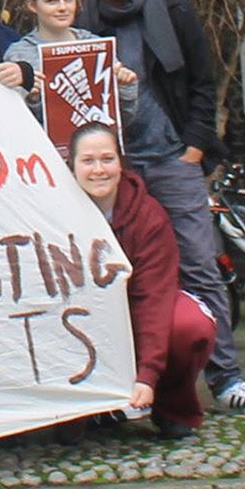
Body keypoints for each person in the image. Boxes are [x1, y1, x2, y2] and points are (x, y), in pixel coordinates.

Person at [78, 0, 245, 418]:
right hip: (115, 163)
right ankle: (128, 388)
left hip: (171, 157)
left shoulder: (171, 9)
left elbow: (202, 81)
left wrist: (193, 146)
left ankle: (227, 379)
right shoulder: (81, 21)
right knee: (116, 272)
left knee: (199, 263)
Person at [68, 124, 217, 439]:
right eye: (88, 161)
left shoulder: (147, 216)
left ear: (121, 163)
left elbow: (154, 297)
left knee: (190, 326)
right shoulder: (55, 212)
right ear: (73, 165)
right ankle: (86, 411)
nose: (98, 170)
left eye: (107, 159)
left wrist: (147, 375)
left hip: (137, 310)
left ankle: (170, 405)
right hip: (84, 319)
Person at [2, 0, 140, 104]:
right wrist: (31, 97)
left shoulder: (95, 46)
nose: (63, 7)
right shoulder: (20, 54)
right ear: (32, 5)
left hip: (98, 126)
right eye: (51, 1)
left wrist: (126, 87)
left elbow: (124, 118)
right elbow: (12, 116)